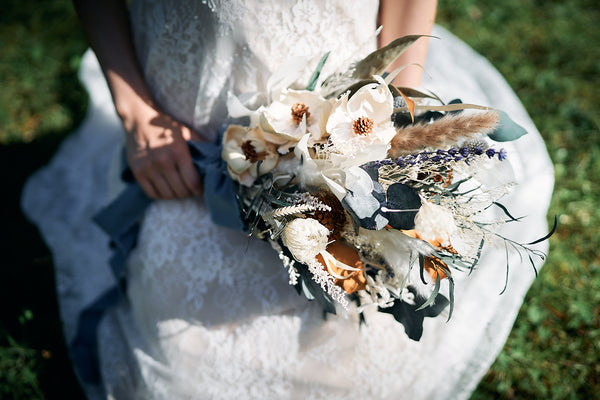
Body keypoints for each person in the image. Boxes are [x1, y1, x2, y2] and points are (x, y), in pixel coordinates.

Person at [21, 1, 554, 399]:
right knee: (183, 365)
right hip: (186, 149)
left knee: (369, 341)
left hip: (349, 129)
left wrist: (394, 107)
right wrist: (137, 115)